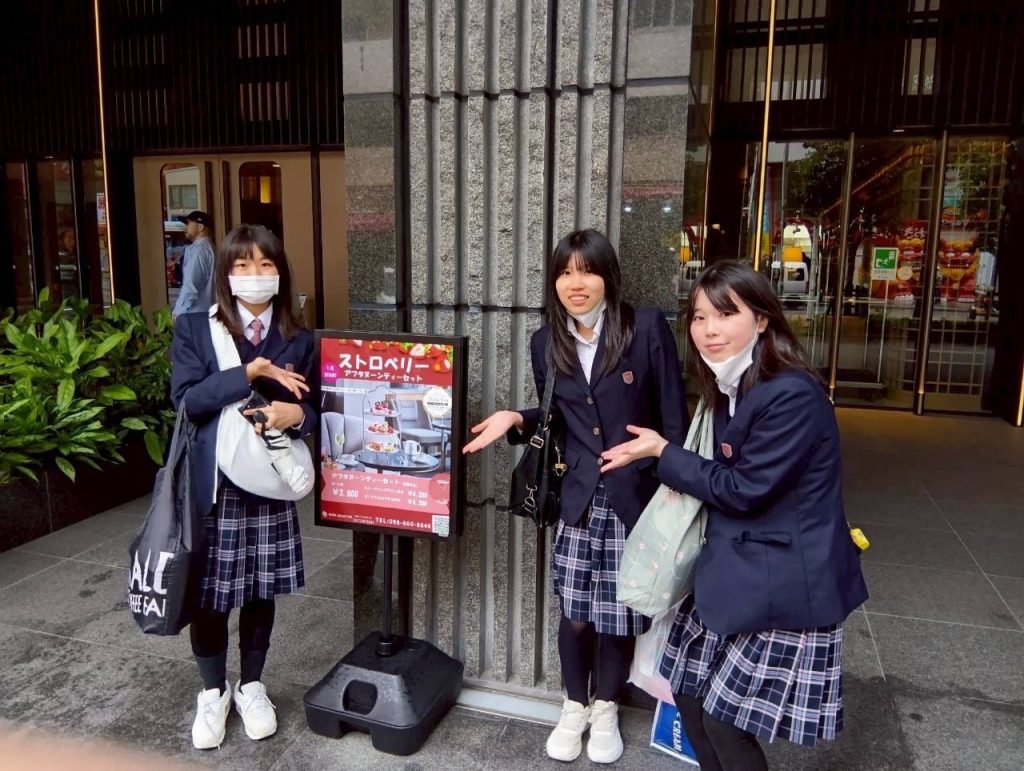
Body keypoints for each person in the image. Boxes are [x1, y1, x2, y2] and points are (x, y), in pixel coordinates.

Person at [600, 260, 869, 770]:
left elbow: (743, 489)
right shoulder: (730, 387)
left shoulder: (791, 394)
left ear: (762, 319)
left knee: (723, 721)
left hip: (785, 582)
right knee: (688, 695)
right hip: (734, 571)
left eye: (726, 314)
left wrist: (662, 452)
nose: (710, 329)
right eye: (700, 317)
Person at [464, 229, 688, 764]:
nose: (576, 283)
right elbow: (560, 418)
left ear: (607, 276)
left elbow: (674, 414)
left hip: (636, 497)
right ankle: (573, 705)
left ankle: (606, 707)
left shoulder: (644, 327)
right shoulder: (546, 341)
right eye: (565, 273)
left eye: (586, 271)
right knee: (577, 611)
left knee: (620, 613)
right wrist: (517, 418)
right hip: (580, 497)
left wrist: (676, 482)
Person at [170, 224, 315, 750]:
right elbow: (186, 402)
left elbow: (318, 406)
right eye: (243, 265)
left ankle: (252, 685)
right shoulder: (196, 328)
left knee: (260, 589)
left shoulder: (300, 337)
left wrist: (298, 414)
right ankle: (213, 691)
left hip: (269, 484)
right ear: (226, 275)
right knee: (210, 595)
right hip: (214, 486)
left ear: (280, 272)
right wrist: (247, 373)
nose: (255, 275)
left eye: (266, 264)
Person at [172, 210, 217, 320]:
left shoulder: (199, 252)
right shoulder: (210, 248)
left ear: (200, 227)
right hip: (207, 312)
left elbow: (191, 286)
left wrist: (179, 311)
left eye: (188, 223)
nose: (185, 228)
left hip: (194, 315)